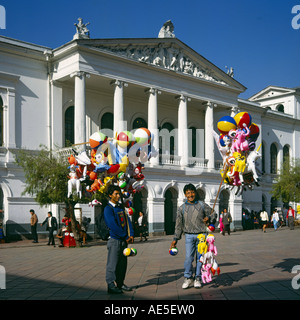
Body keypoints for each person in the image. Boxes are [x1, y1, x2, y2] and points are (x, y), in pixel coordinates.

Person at [170, 183, 217, 289]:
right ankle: (187, 277)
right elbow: (178, 225)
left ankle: (198, 278)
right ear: (185, 195)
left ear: (195, 193)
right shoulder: (181, 208)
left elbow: (214, 214)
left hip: (202, 236)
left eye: (192, 192)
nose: (190, 194)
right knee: (188, 258)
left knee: (200, 258)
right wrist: (175, 239)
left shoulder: (202, 205)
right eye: (188, 193)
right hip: (189, 236)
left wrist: (209, 218)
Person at [104, 185, 134, 294]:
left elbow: (127, 221)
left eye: (118, 194)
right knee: (112, 264)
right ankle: (111, 284)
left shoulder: (120, 207)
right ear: (110, 195)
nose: (118, 196)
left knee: (122, 264)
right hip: (115, 240)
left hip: (124, 240)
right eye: (115, 194)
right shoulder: (108, 209)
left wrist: (131, 234)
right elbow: (113, 225)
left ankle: (120, 283)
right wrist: (125, 236)